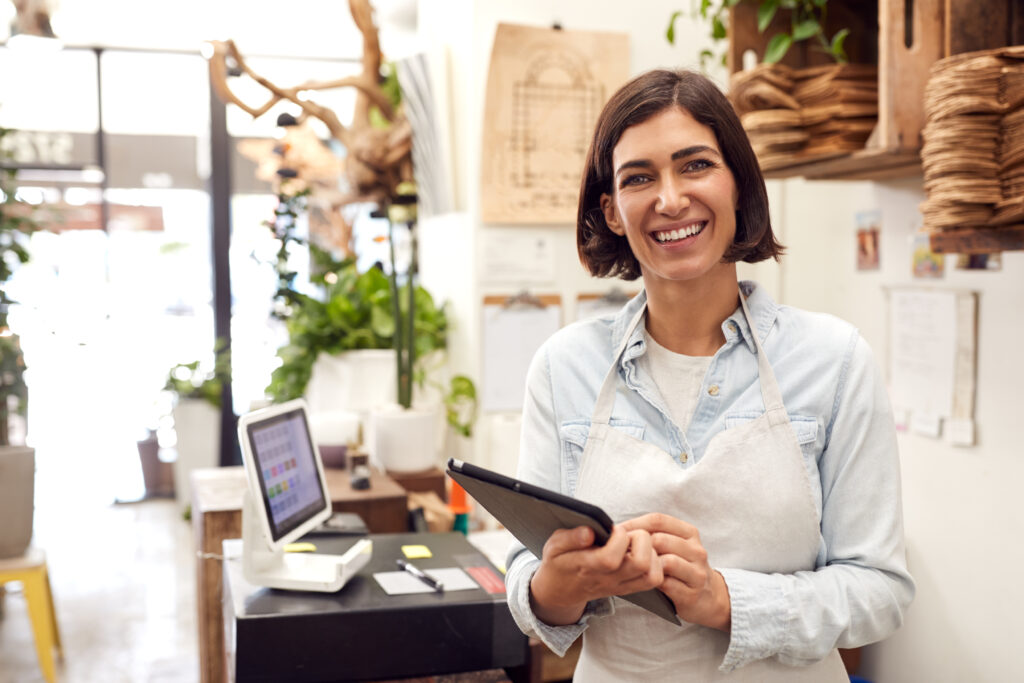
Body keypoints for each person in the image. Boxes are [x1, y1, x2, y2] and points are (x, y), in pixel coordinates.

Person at [505, 69, 915, 681]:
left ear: (739, 186)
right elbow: (525, 581)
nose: (669, 199)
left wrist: (728, 601)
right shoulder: (564, 367)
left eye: (695, 165)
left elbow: (881, 590)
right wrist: (553, 589)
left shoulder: (833, 359)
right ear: (613, 211)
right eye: (639, 177)